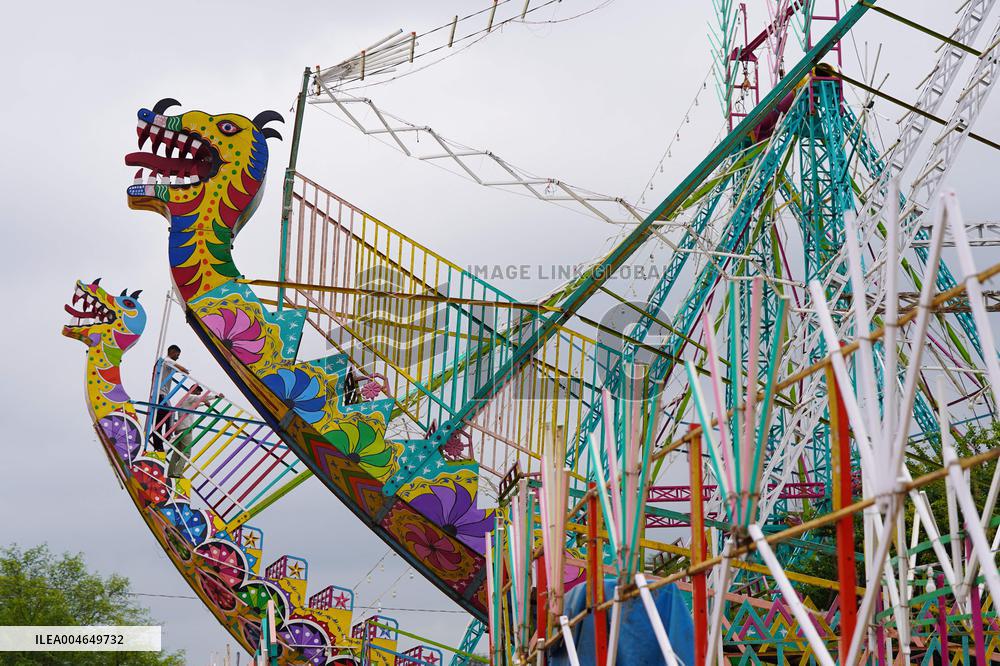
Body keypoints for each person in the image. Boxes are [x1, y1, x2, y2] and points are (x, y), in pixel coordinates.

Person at [167, 384, 223, 479]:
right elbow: (200, 398)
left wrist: (203, 402)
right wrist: (216, 396)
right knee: (186, 452)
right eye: (198, 392)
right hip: (186, 428)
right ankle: (177, 473)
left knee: (177, 453)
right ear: (194, 390)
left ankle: (171, 472)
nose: (198, 394)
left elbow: (197, 402)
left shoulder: (185, 399)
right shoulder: (190, 397)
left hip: (179, 428)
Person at [151, 345, 189, 452]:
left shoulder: (165, 363)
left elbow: (177, 369)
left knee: (158, 423)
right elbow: (182, 369)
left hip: (159, 393)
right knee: (170, 411)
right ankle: (169, 435)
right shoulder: (167, 360)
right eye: (177, 354)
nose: (178, 357)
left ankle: (158, 448)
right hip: (161, 393)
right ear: (172, 351)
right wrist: (185, 371)